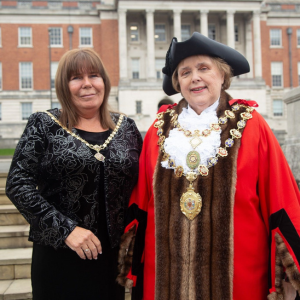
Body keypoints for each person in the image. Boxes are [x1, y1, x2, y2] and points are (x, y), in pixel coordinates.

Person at [117, 32, 300, 300]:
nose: (195, 78)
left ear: (223, 76)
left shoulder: (250, 124)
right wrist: (130, 262)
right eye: (185, 72)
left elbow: (281, 197)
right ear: (178, 82)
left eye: (204, 68)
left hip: (241, 278)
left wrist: (290, 267)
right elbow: (141, 203)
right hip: (165, 277)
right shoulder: (159, 129)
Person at [6, 48, 143, 300]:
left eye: (94, 75)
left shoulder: (127, 128)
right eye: (76, 78)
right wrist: (66, 230)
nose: (87, 84)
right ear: (63, 85)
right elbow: (18, 184)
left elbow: (142, 184)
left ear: (105, 81)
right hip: (60, 254)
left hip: (111, 258)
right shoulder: (44, 124)